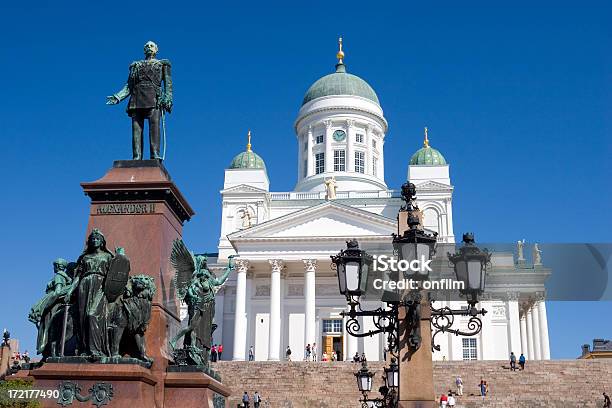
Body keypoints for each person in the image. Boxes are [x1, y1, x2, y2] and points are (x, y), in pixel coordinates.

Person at [106, 41, 173, 161]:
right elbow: (129, 86)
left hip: (154, 97)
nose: (149, 47)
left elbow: (168, 84)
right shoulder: (136, 65)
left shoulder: (162, 64)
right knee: (137, 128)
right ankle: (137, 156)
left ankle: (154, 155)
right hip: (137, 97)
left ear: (156, 49)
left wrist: (168, 98)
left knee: (154, 127)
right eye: (147, 46)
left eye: (151, 46)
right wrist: (118, 97)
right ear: (144, 50)